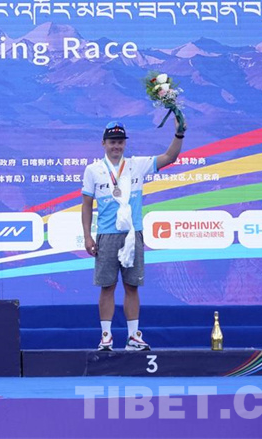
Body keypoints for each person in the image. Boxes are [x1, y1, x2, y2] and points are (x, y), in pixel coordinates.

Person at [81, 119, 184, 351]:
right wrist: (87, 236)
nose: (116, 146)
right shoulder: (93, 170)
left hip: (132, 235)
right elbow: (86, 205)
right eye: (112, 142)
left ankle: (133, 337)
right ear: (103, 143)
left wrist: (179, 134)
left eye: (120, 142)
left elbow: (170, 157)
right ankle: (106, 337)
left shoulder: (136, 165)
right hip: (107, 235)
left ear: (125, 144)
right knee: (107, 287)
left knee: (131, 287)